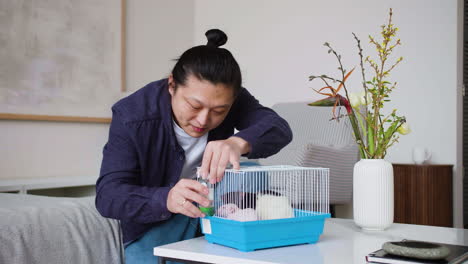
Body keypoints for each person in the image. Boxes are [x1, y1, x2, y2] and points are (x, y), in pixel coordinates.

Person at [95, 29, 292, 263]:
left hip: (218, 212)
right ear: (172, 85)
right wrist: (166, 197)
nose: (203, 120)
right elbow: (108, 195)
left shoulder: (230, 97)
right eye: (194, 106)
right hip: (156, 219)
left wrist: (238, 142)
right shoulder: (132, 115)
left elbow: (279, 128)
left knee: (254, 172)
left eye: (219, 111)